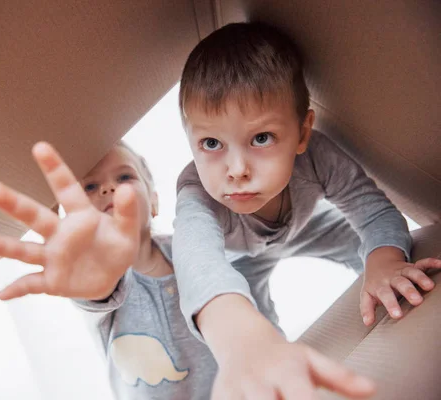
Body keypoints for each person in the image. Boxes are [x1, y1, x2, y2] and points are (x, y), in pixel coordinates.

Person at [0, 141, 374, 399]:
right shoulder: (100, 284)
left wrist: (375, 260)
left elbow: (330, 234)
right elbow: (96, 292)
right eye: (88, 187)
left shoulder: (211, 247)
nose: (108, 190)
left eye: (123, 177)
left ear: (156, 200)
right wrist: (93, 281)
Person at [172, 21, 441, 398]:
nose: (236, 170)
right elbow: (196, 261)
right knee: (255, 323)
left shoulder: (317, 156)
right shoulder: (196, 192)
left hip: (306, 224)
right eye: (211, 142)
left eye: (261, 138)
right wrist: (243, 341)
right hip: (238, 258)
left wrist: (385, 259)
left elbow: (372, 210)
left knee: (378, 255)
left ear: (302, 133)